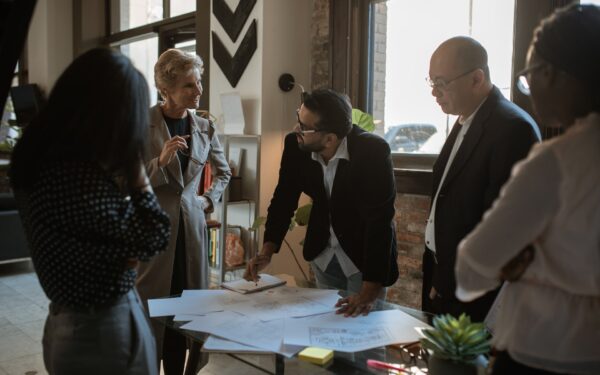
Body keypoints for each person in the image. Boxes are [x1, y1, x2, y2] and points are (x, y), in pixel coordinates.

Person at [455, 4, 600, 374]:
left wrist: (520, 262)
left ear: (552, 72)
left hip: (544, 354)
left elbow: (472, 268)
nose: (528, 86)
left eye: (528, 75)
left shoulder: (557, 162)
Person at [9, 48, 170, 374]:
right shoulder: (77, 177)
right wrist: (137, 170)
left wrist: (123, 254)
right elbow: (154, 234)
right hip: (100, 330)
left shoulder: (34, 160)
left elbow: (106, 244)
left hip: (66, 319)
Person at [244, 89, 398, 317]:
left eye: (304, 127)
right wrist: (268, 249)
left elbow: (380, 220)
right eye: (299, 118)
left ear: (330, 139)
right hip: (323, 255)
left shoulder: (372, 151)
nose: (297, 128)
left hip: (363, 259)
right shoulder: (296, 146)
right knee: (327, 331)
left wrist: (370, 288)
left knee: (363, 335)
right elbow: (284, 197)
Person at [422, 36, 540, 321]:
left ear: (477, 78)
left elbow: (497, 227)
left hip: (472, 289)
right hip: (443, 274)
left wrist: (448, 281)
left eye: (442, 83)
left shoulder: (512, 128)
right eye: (431, 83)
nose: (434, 93)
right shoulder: (466, 116)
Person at [135, 48, 231, 374]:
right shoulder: (140, 123)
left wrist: (206, 201)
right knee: (152, 310)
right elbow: (122, 180)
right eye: (189, 85)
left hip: (192, 233)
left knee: (187, 312)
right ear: (166, 89)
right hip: (153, 233)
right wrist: (159, 163)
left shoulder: (204, 126)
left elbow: (224, 173)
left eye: (199, 82)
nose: (199, 90)